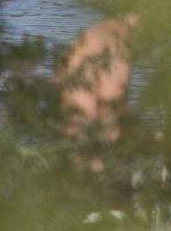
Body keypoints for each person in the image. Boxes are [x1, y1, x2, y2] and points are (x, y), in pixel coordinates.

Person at [58, 14, 139, 148]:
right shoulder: (118, 45)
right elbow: (111, 102)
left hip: (70, 140)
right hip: (96, 148)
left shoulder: (90, 36)